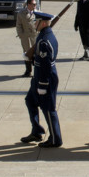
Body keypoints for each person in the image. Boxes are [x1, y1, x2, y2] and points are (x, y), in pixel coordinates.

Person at [21, 11, 63, 148]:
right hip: (38, 77)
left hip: (45, 79)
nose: (34, 23)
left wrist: (43, 85)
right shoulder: (44, 36)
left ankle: (56, 139)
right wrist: (32, 58)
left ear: (43, 23)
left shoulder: (45, 41)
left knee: (48, 108)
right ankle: (37, 130)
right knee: (30, 101)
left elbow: (46, 65)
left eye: (36, 21)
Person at [15, 0, 37, 77]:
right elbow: (18, 25)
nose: (35, 6)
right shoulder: (21, 13)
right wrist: (21, 35)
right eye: (33, 4)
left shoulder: (37, 13)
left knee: (36, 54)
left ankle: (37, 71)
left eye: (35, 4)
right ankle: (28, 71)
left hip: (34, 36)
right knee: (27, 54)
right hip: (25, 37)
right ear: (28, 5)